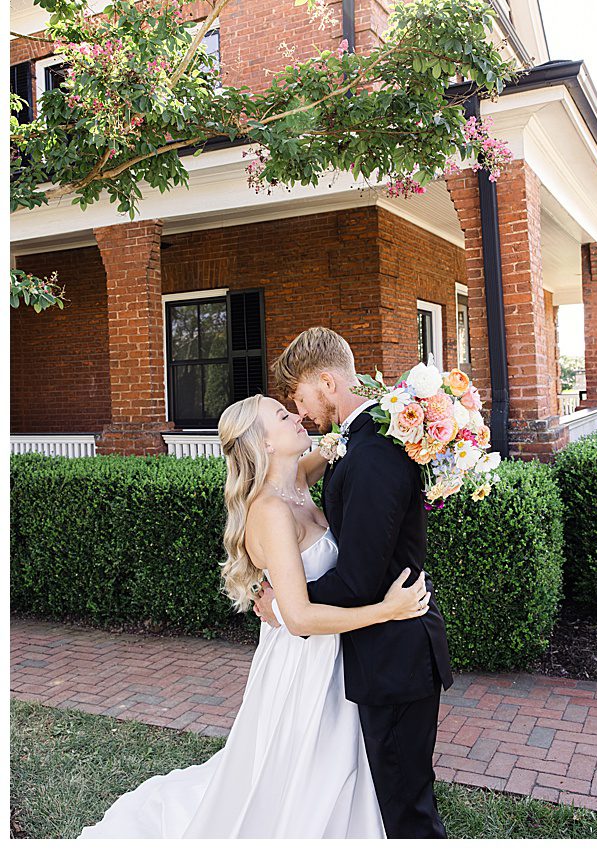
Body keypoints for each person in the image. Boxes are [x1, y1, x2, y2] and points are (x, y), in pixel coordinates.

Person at [82, 395, 431, 838]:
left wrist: (412, 412)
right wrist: (385, 611)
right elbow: (300, 618)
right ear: (263, 443)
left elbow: (349, 432)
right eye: (283, 416)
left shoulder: (299, 476)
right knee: (308, 770)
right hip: (304, 661)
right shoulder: (270, 510)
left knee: (343, 764)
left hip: (337, 650)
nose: (296, 416)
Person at [266, 326, 455, 838]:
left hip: (396, 654)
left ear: (327, 382)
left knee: (406, 810)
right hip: (383, 651)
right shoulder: (361, 439)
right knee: (387, 798)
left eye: (301, 397)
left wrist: (287, 607)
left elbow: (358, 580)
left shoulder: (372, 456)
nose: (302, 412)